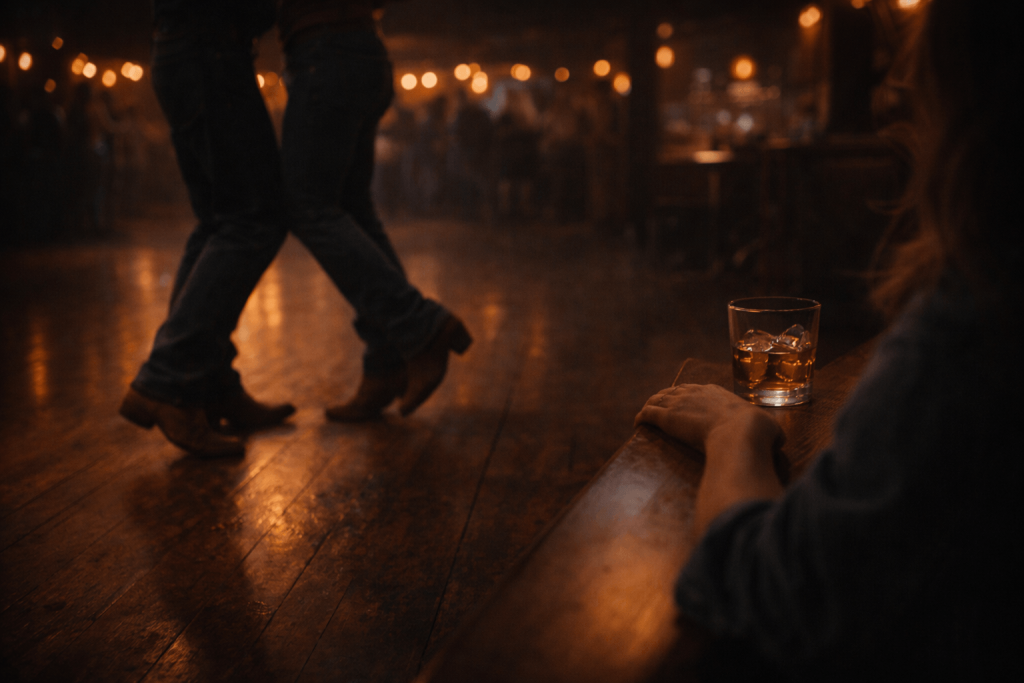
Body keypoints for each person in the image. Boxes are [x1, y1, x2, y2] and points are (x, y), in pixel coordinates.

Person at [635, 1, 1021, 679]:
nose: (891, 104)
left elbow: (767, 590)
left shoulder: (968, 332)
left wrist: (736, 431)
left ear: (962, 95)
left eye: (912, 72)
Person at [121, 0, 469, 457]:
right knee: (259, 217)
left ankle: (200, 381)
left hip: (223, 47)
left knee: (246, 217)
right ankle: (175, 380)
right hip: (225, 49)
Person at [277, 0, 470, 423]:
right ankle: (386, 363)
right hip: (365, 49)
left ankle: (420, 326)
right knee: (353, 209)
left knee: (307, 205)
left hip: (322, 49)